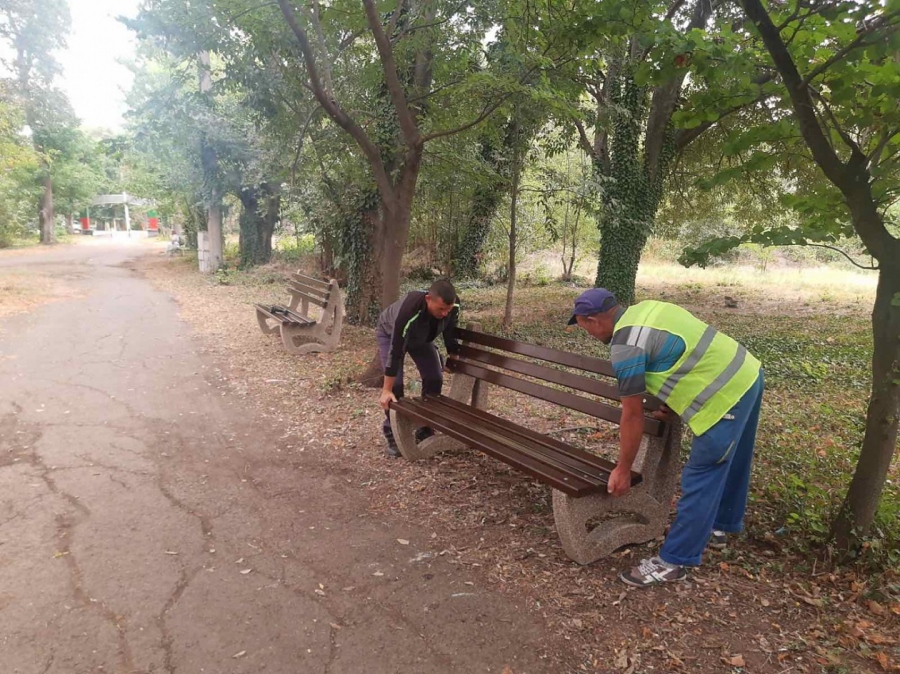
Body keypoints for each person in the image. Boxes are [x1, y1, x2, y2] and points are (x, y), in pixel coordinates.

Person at [568, 288, 764, 587]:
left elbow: (632, 416)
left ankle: (675, 561)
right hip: (747, 371)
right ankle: (720, 526)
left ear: (592, 321)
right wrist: (673, 403)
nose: (586, 333)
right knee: (733, 459)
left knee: (703, 474)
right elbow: (686, 353)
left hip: (725, 398)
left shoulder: (625, 347)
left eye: (582, 326)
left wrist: (623, 469)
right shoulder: (650, 308)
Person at [376, 278, 461, 457]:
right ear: (428, 299)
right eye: (441, 309)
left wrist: (453, 356)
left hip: (421, 338)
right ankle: (393, 433)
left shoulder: (453, 307)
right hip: (391, 333)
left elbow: (450, 330)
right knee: (396, 386)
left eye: (448, 309)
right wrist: (386, 390)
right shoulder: (409, 310)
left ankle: (425, 427)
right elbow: (396, 350)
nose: (445, 313)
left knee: (434, 378)